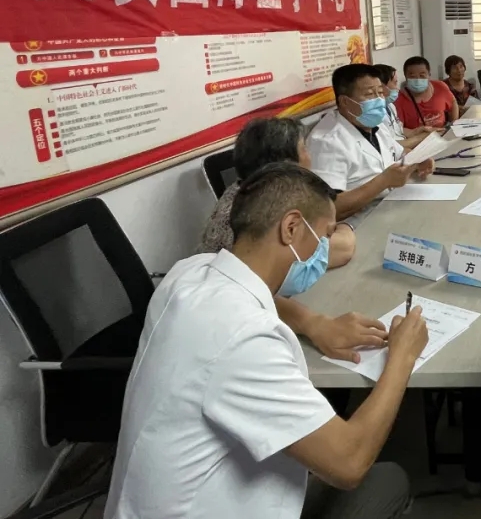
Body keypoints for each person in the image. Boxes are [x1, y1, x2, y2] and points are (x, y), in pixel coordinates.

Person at [105, 163, 429, 519]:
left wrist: (313, 322)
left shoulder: (189, 273)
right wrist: (403, 356)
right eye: (324, 236)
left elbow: (258, 294)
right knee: (386, 481)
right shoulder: (245, 338)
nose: (325, 249)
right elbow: (349, 462)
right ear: (291, 228)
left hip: (157, 504)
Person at [197, 117, 354, 268]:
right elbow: (341, 249)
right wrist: (346, 226)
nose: (309, 156)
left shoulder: (246, 188)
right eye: (304, 148)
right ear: (286, 165)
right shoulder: (268, 206)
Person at [307, 64, 433, 221]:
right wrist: (384, 181)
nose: (379, 100)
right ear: (345, 101)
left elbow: (398, 153)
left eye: (380, 92)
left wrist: (417, 159)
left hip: (389, 206)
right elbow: (328, 208)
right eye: (369, 94)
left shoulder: (373, 124)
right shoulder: (326, 142)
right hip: (356, 222)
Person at [373, 63, 430, 149]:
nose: (397, 88)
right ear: (381, 86)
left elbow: (398, 131)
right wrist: (422, 137)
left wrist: (418, 131)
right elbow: (391, 146)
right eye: (395, 83)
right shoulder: (373, 115)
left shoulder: (390, 106)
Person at [394, 55, 458, 129]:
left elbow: (453, 102)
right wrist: (417, 133)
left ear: (429, 75)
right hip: (417, 136)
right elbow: (399, 129)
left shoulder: (440, 87)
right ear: (405, 76)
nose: (418, 80)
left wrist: (454, 124)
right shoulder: (398, 99)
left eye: (422, 76)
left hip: (442, 133)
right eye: (412, 77)